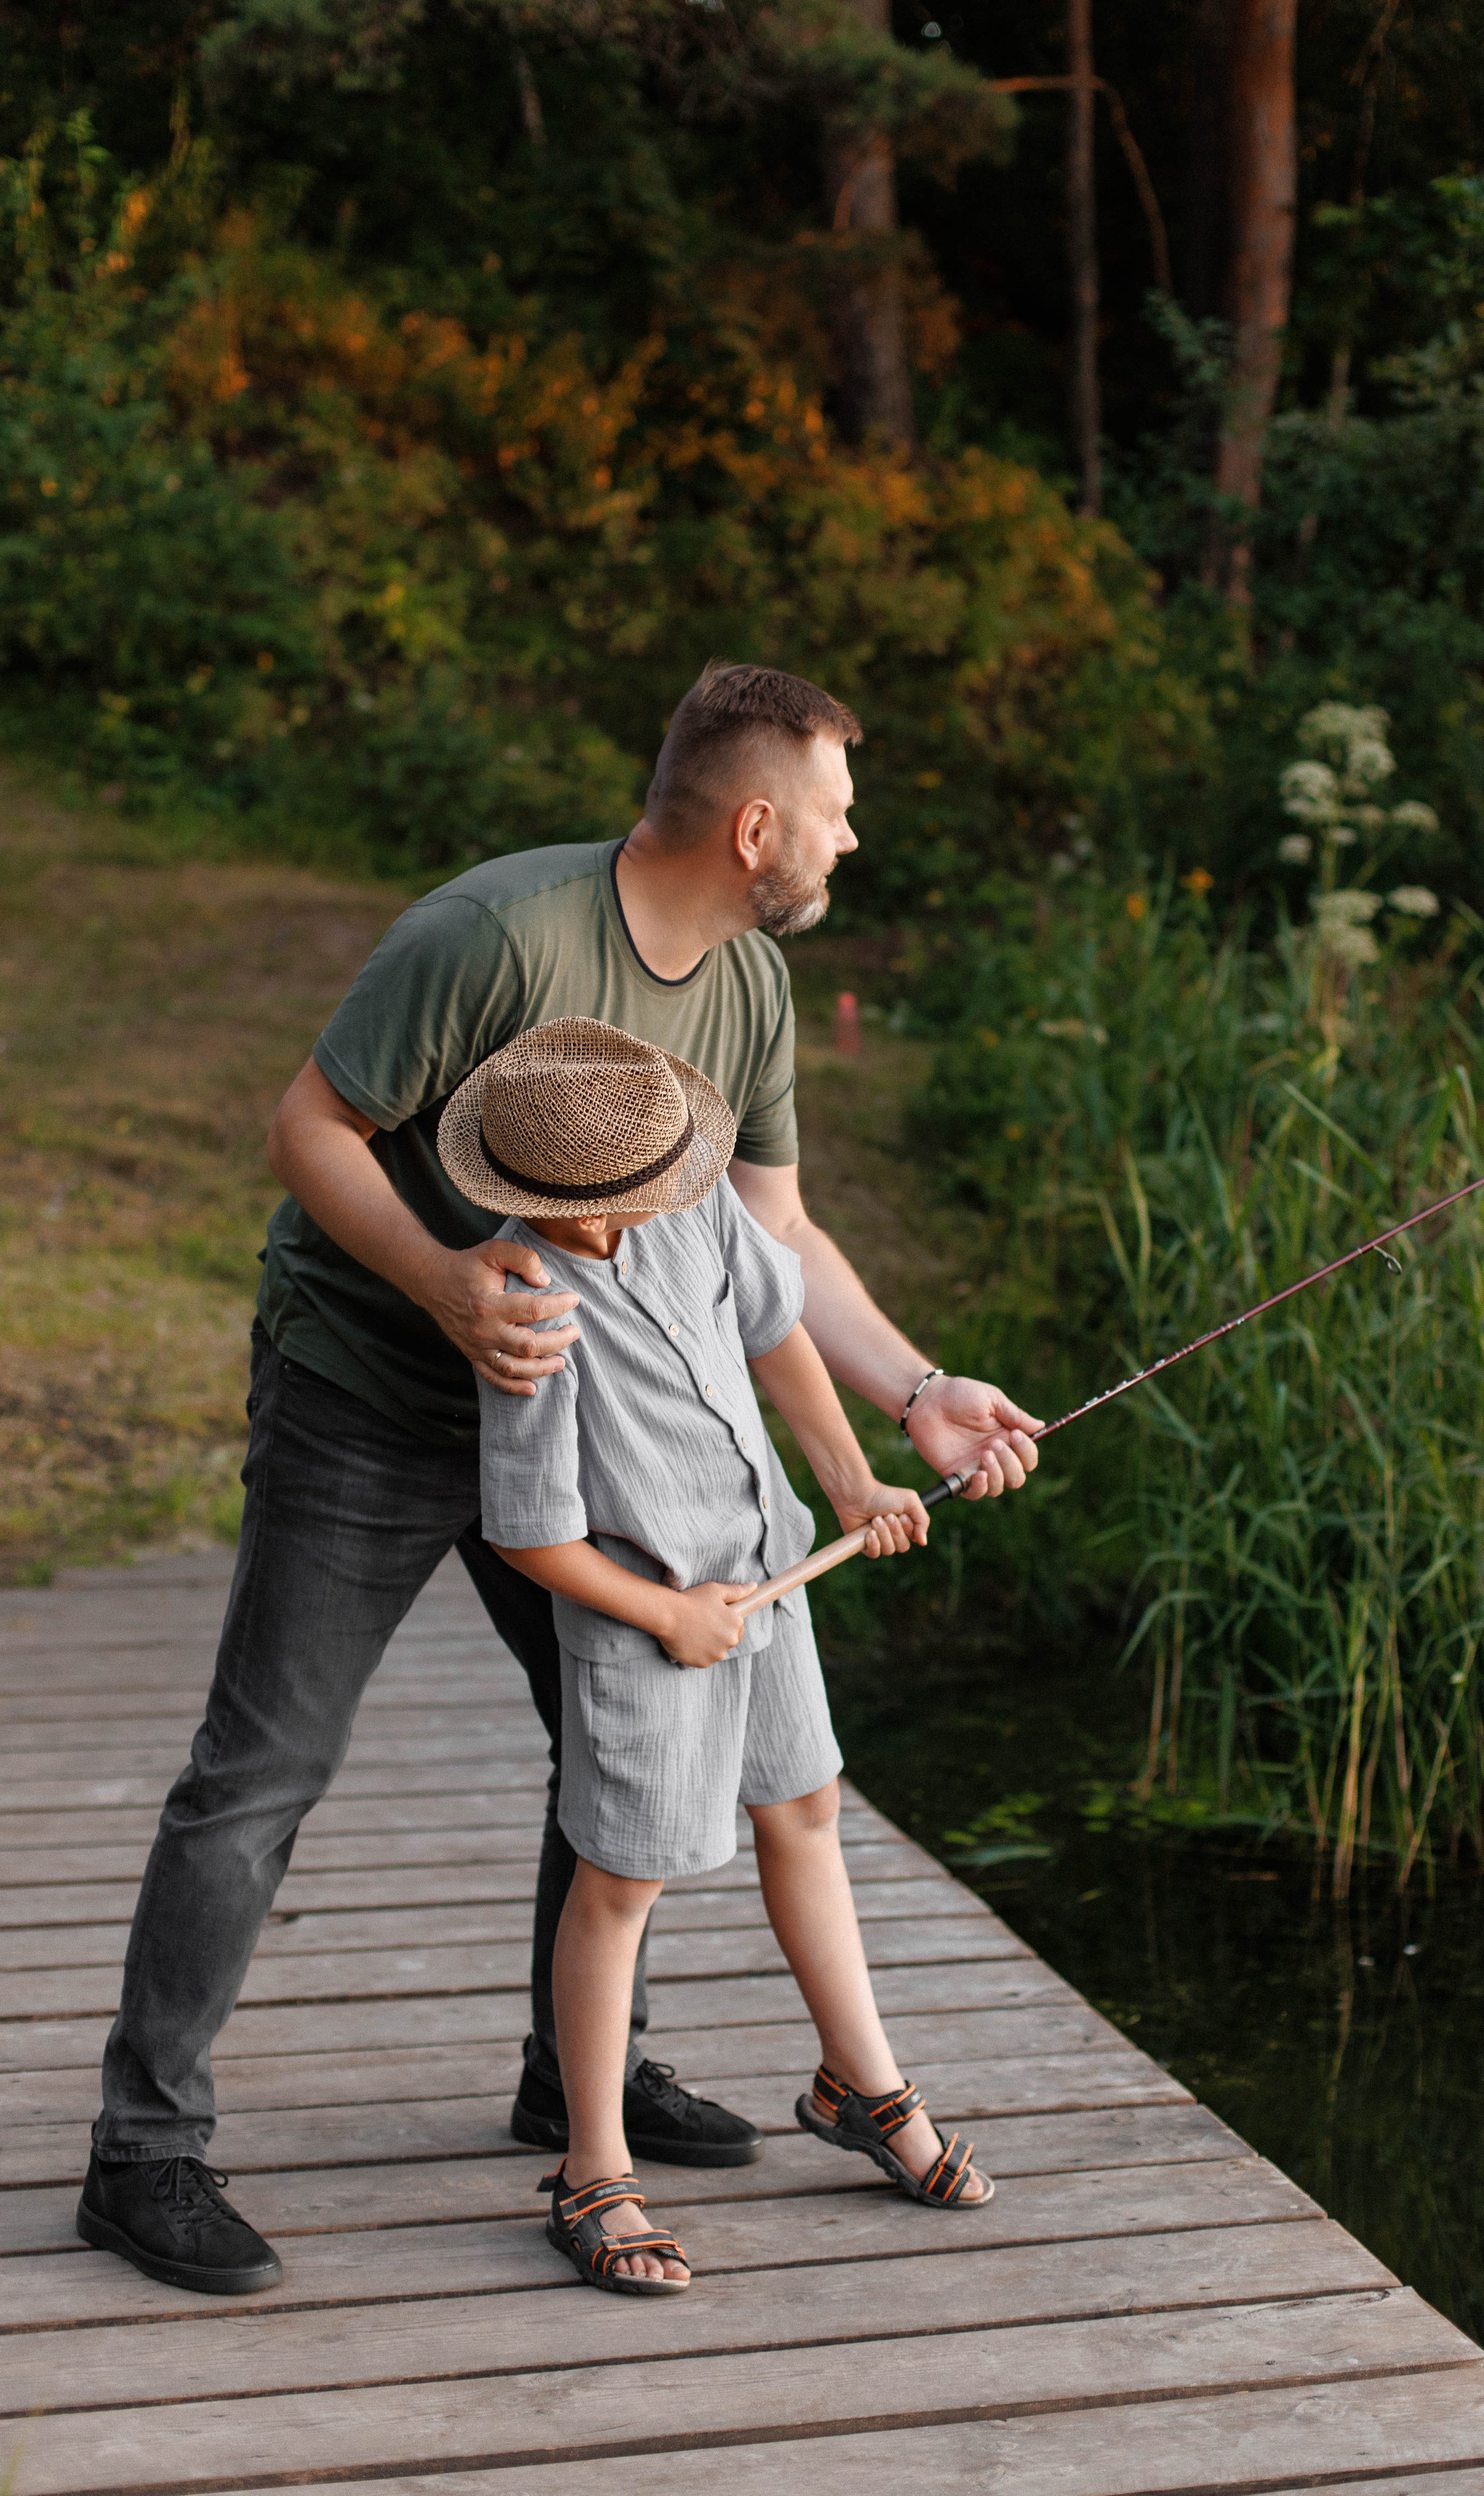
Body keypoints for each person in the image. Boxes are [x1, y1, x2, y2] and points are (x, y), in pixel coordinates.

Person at [76, 660, 1037, 2300]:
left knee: (608, 1726)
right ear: (756, 825)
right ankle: (144, 2152)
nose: (850, 841)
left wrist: (917, 1392)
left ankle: (575, 2083)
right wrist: (447, 1288)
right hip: (370, 1395)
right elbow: (309, 1127)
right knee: (264, 1767)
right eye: (836, 813)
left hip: (601, 1427)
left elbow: (773, 1248)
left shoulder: (744, 986)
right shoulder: (497, 937)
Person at [447, 1015, 993, 2293]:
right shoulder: (524, 1300)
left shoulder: (688, 1209)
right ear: (544, 1198)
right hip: (647, 1627)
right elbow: (528, 1534)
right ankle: (591, 2171)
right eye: (613, 1201)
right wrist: (662, 1614)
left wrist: (851, 1480)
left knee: (804, 1809)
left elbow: (775, 1328)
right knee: (620, 1881)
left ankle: (863, 2088)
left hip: (768, 1579)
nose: (642, 1211)